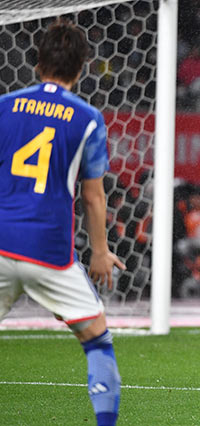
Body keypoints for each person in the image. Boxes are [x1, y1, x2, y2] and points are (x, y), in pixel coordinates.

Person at [0, 19, 125, 426]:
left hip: (1, 242)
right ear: (82, 68)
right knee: (98, 342)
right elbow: (93, 195)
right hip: (50, 253)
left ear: (37, 63)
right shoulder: (87, 119)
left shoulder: (4, 107)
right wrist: (100, 252)